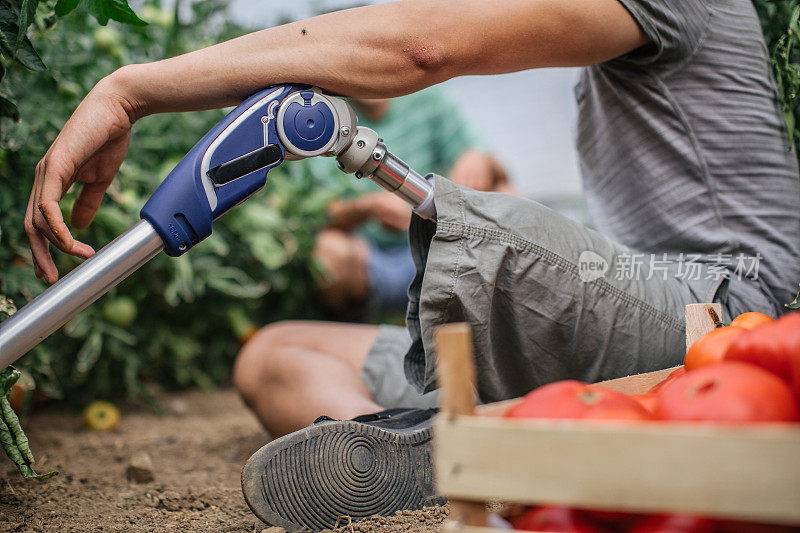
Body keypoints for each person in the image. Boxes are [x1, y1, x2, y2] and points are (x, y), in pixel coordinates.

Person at [24, 0, 800, 530]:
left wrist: (130, 88)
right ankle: (421, 451)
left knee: (473, 216)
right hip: (646, 306)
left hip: (726, 308)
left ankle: (487, 444)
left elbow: (423, 44)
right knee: (277, 355)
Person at [310, 92, 512, 318]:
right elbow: (314, 217)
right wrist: (367, 208)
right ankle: (354, 326)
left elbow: (500, 172)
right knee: (326, 251)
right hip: (373, 257)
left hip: (441, 247)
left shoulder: (427, 97)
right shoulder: (324, 119)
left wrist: (479, 158)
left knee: (507, 195)